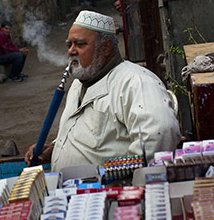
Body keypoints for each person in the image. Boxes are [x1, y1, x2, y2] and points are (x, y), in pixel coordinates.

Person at [25, 10, 180, 171]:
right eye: (69, 45)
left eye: (79, 44)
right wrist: (55, 149)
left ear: (105, 48)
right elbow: (87, 134)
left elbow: (160, 135)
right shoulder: (79, 84)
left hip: (111, 192)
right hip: (75, 191)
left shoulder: (137, 82)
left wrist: (120, 178)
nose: (71, 51)